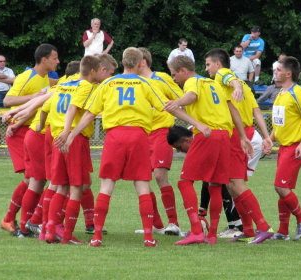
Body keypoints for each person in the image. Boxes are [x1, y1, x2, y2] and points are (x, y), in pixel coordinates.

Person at [60, 47, 211, 247]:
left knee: (107, 186)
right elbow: (168, 107)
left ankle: (96, 236)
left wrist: (71, 134)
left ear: (122, 63)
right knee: (142, 186)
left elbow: (89, 113)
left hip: (114, 136)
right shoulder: (146, 84)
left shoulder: (108, 83)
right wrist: (198, 124)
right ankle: (149, 237)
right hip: (138, 136)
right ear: (141, 63)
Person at [165, 55, 253, 245]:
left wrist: (178, 101)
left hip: (208, 135)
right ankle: (211, 235)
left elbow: (191, 96)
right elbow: (233, 110)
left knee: (184, 182)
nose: (173, 79)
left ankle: (197, 230)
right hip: (225, 136)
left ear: (183, 71)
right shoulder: (214, 84)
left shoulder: (192, 81)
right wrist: (242, 136)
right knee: (214, 186)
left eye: (174, 74)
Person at [204, 48, 274, 244]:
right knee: (232, 184)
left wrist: (236, 87)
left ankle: (263, 227)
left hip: (237, 135)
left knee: (235, 183)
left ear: (218, 64)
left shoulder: (223, 75)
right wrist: (267, 136)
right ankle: (249, 230)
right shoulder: (243, 83)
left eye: (208, 64)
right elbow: (256, 110)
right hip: (246, 132)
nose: (206, 68)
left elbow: (232, 81)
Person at [44, 55, 104, 245]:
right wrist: (68, 133)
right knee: (77, 187)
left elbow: (48, 106)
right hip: (73, 139)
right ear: (92, 71)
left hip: (57, 137)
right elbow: (72, 108)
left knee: (61, 187)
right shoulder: (86, 86)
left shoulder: (63, 85)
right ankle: (67, 235)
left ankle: (50, 231)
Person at [0, 44, 59, 236]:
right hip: (19, 132)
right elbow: (7, 101)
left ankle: (25, 220)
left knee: (35, 178)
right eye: (55, 58)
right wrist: (34, 96)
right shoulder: (27, 77)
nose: (58, 62)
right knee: (33, 178)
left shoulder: (46, 79)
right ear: (44, 59)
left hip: (31, 130)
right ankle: (12, 220)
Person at [134, 47, 183, 236]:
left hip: (161, 132)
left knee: (160, 176)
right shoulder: (133, 82)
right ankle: (156, 224)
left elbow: (180, 98)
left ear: (143, 62)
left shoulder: (161, 77)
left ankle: (174, 223)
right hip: (141, 135)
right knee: (142, 180)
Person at [270, 56, 301, 241]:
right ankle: (283, 231)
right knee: (283, 188)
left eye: (278, 70)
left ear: (288, 73)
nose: (275, 73)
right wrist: (269, 139)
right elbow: (279, 124)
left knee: (280, 186)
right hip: (284, 147)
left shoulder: (297, 93)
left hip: (294, 147)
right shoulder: (281, 93)